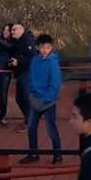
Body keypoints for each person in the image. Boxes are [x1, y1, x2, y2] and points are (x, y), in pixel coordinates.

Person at [20, 34, 62, 165]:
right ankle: (33, 153)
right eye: (42, 47)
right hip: (34, 99)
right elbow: (31, 78)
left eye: (48, 48)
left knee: (51, 129)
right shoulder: (34, 61)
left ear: (51, 48)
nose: (45, 50)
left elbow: (55, 84)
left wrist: (46, 99)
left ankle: (57, 155)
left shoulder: (53, 64)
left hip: (47, 101)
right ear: (38, 47)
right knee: (31, 126)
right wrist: (31, 93)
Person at [9, 23, 36, 133]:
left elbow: (32, 57)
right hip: (20, 73)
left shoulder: (28, 40)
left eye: (14, 30)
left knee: (25, 97)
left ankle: (30, 123)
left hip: (27, 72)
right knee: (19, 98)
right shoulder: (17, 42)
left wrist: (18, 61)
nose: (12, 32)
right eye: (11, 30)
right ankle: (28, 119)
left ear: (21, 30)